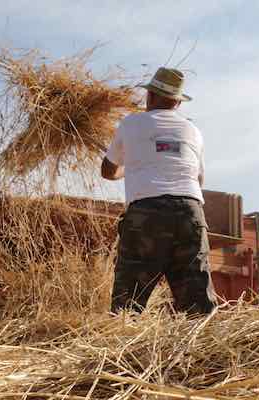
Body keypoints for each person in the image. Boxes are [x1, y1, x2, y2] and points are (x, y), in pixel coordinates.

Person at [101, 67, 216, 314]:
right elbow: (198, 179)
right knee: (198, 306)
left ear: (150, 96)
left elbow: (107, 171)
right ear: (177, 102)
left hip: (146, 214)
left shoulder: (131, 124)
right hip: (190, 213)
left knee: (127, 306)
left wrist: (128, 168)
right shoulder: (193, 131)